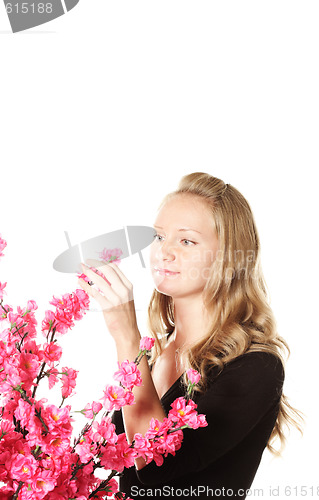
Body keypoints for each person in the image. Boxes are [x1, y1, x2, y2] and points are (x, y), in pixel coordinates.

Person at [78, 172, 303, 499]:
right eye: (158, 237)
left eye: (186, 240)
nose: (163, 252)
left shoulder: (256, 367)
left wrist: (126, 337)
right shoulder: (155, 354)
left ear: (227, 257)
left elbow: (156, 468)